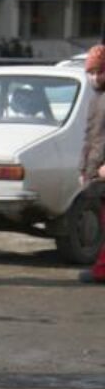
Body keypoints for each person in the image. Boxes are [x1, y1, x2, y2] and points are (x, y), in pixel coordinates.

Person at [78, 44, 105, 284]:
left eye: (100, 72)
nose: (95, 77)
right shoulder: (95, 98)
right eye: (92, 72)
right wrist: (83, 169)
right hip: (96, 170)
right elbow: (90, 135)